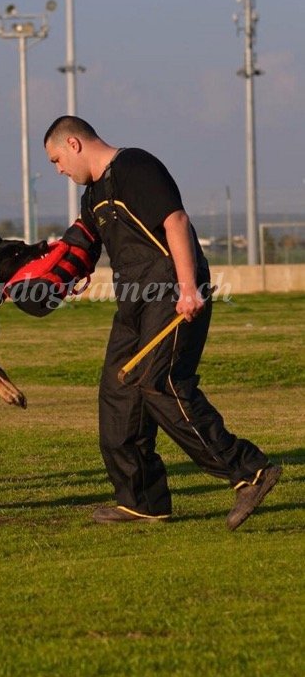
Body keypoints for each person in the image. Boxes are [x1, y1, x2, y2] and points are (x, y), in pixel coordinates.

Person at [42, 115, 281, 530]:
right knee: (119, 390)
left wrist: (188, 287)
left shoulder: (136, 165)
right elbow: (83, 245)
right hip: (133, 299)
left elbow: (176, 222)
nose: (59, 169)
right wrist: (44, 267)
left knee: (162, 383)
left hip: (171, 289)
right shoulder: (92, 195)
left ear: (74, 144)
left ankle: (249, 470)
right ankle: (142, 500)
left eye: (56, 159)